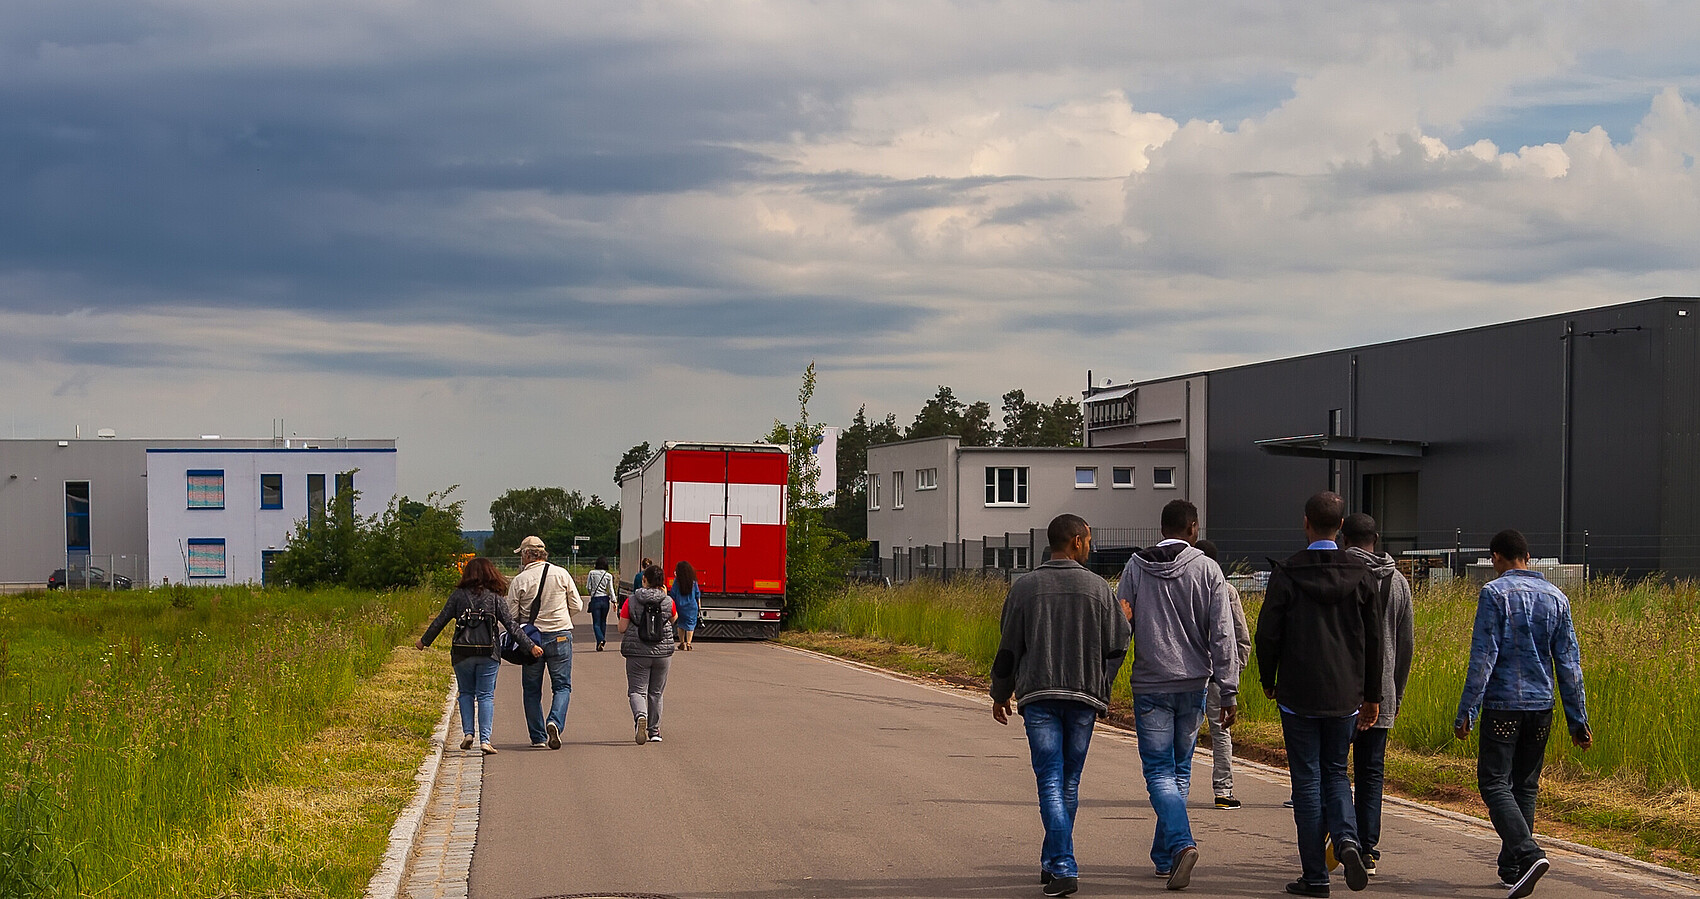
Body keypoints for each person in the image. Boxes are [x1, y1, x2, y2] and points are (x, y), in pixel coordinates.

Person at [991, 514, 1131, 898]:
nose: (1091, 545)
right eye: (1088, 539)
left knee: (1050, 780)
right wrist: (1103, 685)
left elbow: (1008, 647)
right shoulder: (1100, 588)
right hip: (1083, 698)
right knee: (1068, 781)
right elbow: (1118, 644)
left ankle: (1059, 864)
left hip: (1038, 696)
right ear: (1075, 542)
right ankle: (1058, 862)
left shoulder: (1025, 588)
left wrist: (1000, 692)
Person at [1454, 529, 1591, 899]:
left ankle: (1529, 853)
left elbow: (1484, 656)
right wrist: (1578, 720)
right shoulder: (1557, 597)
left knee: (1494, 782)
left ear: (1496, 557)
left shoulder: (1494, 593)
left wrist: (1468, 709)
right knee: (1525, 785)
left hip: (1502, 703)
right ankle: (1513, 867)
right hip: (1541, 706)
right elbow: (1569, 663)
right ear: (1528, 557)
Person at [1257, 491, 1382, 897]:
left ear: (1306, 523)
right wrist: (1372, 694)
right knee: (1336, 773)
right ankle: (1347, 839)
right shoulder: (1362, 575)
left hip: (1298, 693)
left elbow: (1267, 633)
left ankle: (1315, 876)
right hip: (1345, 692)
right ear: (1341, 526)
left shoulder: (1288, 573)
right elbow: (1375, 640)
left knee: (1306, 781)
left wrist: (1268, 678)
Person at [1115, 500, 1239, 891]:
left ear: (1162, 526)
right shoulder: (1208, 569)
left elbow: (1122, 626)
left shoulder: (1135, 567)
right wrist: (1228, 687)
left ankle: (1180, 845)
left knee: (1157, 772)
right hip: (1194, 685)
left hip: (1151, 684)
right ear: (1193, 528)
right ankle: (1167, 855)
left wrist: (1106, 679)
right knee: (1180, 770)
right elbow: (1223, 633)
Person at [1339, 513, 1414, 878]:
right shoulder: (1398, 582)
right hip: (1380, 693)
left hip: (1339, 690)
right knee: (1371, 773)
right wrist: (1394, 694)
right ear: (1376, 538)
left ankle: (1341, 839)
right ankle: (1367, 847)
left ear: (1343, 538)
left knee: (1334, 770)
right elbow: (1405, 645)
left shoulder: (1337, 572)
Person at [417, 557, 541, 755]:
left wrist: (424, 641)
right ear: (491, 573)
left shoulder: (458, 596)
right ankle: (485, 740)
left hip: (461, 653)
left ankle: (468, 733)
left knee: (465, 693)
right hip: (488, 652)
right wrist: (530, 646)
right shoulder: (495, 597)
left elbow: (441, 619)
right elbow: (511, 626)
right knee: (485, 695)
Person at [508, 535, 586, 750]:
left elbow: (512, 615)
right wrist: (562, 617)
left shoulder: (519, 581)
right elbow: (577, 605)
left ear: (526, 554)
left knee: (532, 690)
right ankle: (555, 722)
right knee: (562, 686)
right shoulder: (561, 573)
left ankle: (537, 736)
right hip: (560, 634)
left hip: (531, 639)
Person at [1194, 539, 1252, 811]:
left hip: (1192, 675)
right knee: (1221, 734)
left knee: (1184, 734)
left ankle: (1175, 789)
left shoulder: (1188, 588)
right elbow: (1241, 636)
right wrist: (1234, 670)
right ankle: (1223, 791)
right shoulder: (1227, 591)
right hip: (1217, 676)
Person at [619, 563, 677, 744]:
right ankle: (655, 731)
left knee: (637, 690)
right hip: (662, 653)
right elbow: (674, 619)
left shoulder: (631, 600)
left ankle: (640, 716)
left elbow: (621, 628)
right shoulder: (668, 601)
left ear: (644, 580)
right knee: (656, 692)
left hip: (637, 652)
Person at [585, 557, 617, 651]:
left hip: (596, 599)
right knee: (603, 621)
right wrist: (614, 601)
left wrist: (591, 593)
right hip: (605, 599)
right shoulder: (608, 575)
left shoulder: (592, 573)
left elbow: (588, 586)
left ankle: (600, 639)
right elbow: (611, 589)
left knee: (596, 623)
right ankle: (600, 643)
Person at [669, 560, 702, 651]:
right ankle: (689, 643)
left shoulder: (677, 581)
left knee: (681, 624)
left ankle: (682, 643)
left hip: (680, 606)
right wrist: (699, 605)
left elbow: (673, 593)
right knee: (691, 624)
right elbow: (697, 594)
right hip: (692, 606)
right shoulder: (693, 581)